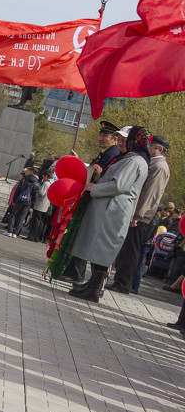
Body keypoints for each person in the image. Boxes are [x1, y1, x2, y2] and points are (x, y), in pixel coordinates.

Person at [67, 126, 152, 302]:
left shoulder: (134, 161)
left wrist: (94, 188)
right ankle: (92, 285)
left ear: (135, 141)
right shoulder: (129, 158)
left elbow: (118, 185)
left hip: (113, 211)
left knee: (103, 249)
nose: (120, 142)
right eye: (118, 138)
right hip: (111, 210)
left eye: (124, 139)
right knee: (100, 248)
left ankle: (94, 288)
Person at [111, 134, 170, 294]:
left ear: (159, 149)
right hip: (140, 214)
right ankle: (121, 281)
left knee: (131, 250)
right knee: (128, 248)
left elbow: (150, 194)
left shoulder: (159, 167)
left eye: (151, 145)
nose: (148, 147)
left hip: (142, 216)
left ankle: (123, 283)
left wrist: (137, 215)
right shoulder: (154, 164)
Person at [6, 168, 39, 238]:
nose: (26, 172)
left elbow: (17, 190)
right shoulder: (36, 182)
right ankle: (15, 233)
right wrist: (32, 205)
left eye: (27, 171)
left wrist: (14, 200)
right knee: (22, 217)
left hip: (20, 200)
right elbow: (35, 195)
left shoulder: (24, 180)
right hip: (28, 202)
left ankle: (10, 231)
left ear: (31, 172)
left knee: (13, 215)